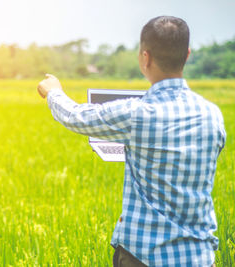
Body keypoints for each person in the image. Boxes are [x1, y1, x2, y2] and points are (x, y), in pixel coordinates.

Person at [37, 16, 226, 267]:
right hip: (199, 258)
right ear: (187, 55)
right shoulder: (212, 115)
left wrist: (53, 92)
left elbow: (76, 117)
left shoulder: (137, 114)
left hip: (146, 258)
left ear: (145, 58)